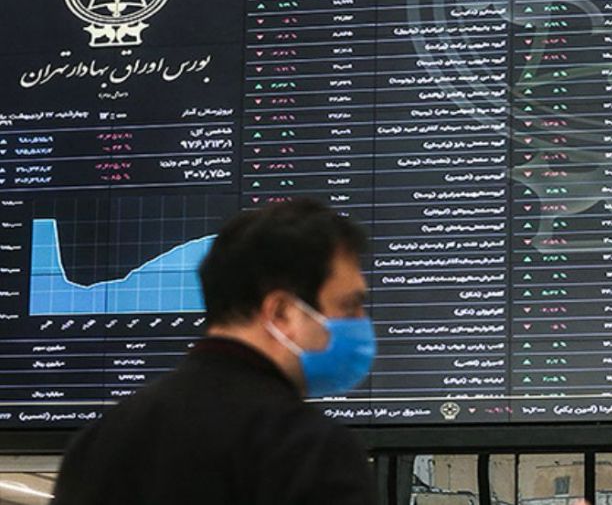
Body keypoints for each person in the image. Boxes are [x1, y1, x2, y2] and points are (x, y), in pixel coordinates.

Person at [53, 200, 378, 505]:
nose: (361, 321)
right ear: (281, 312)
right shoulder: (309, 451)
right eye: (349, 306)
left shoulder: (95, 445)